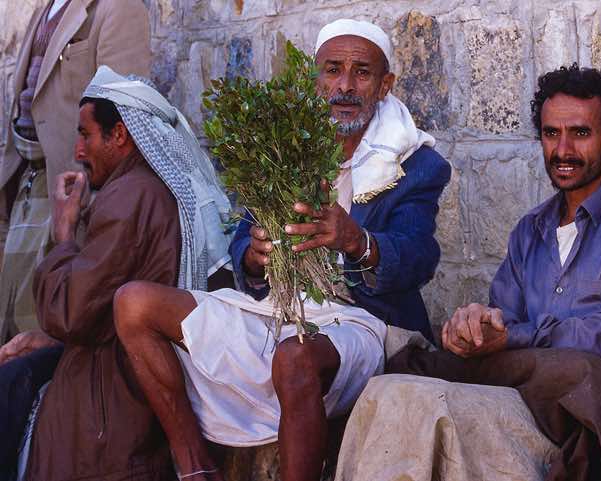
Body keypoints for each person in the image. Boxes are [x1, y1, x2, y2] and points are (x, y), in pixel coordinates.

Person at [113, 19, 451, 481]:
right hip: (277, 310)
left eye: (362, 73)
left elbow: (418, 257)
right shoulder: (282, 145)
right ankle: (195, 468)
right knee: (133, 303)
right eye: (332, 70)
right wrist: (254, 255)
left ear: (385, 84)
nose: (345, 86)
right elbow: (244, 244)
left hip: (362, 319)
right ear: (315, 79)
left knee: (295, 356)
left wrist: (356, 240)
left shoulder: (417, 165)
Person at [336, 65, 601, 481]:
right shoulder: (530, 230)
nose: (562, 150)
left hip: (597, 408)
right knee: (386, 388)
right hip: (523, 393)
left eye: (579, 133)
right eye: (551, 133)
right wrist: (473, 331)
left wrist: (515, 336)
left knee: (422, 404)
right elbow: (503, 326)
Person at [0, 66, 232, 481]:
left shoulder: (130, 196)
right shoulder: (141, 189)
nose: (78, 150)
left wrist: (64, 232)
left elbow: (73, 310)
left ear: (120, 135)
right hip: (123, 397)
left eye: (86, 135)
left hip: (107, 410)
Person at [0, 0, 151, 343]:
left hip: (73, 198)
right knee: (10, 333)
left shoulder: (120, 9)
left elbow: (124, 123)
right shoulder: (45, 9)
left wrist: (91, 208)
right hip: (25, 186)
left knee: (39, 339)